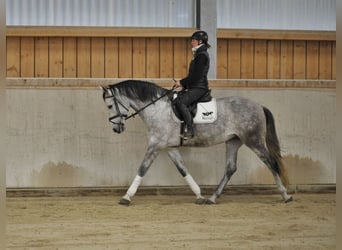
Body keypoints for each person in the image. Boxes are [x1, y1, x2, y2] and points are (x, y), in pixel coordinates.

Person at [174, 30, 211, 139]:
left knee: (181, 102)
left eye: (193, 40)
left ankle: (190, 130)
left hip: (200, 88)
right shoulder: (199, 54)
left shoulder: (201, 55)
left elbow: (196, 76)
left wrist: (181, 82)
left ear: (200, 41)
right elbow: (193, 76)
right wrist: (184, 86)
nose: (191, 42)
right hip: (195, 86)